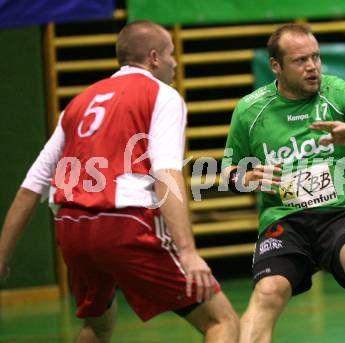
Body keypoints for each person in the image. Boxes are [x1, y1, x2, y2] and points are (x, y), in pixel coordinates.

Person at [0, 20, 239, 342]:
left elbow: (31, 187)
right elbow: (166, 174)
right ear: (154, 58)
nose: (176, 63)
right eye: (171, 55)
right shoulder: (162, 96)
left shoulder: (78, 103)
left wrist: (2, 256)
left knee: (97, 326)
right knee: (221, 321)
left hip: (72, 229)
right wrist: (187, 251)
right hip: (126, 224)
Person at [222, 23, 345, 343]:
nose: (312, 67)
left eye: (315, 57)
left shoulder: (339, 93)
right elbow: (227, 174)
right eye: (300, 60)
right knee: (267, 292)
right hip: (284, 219)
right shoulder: (250, 110)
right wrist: (245, 178)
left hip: (342, 212)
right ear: (275, 66)